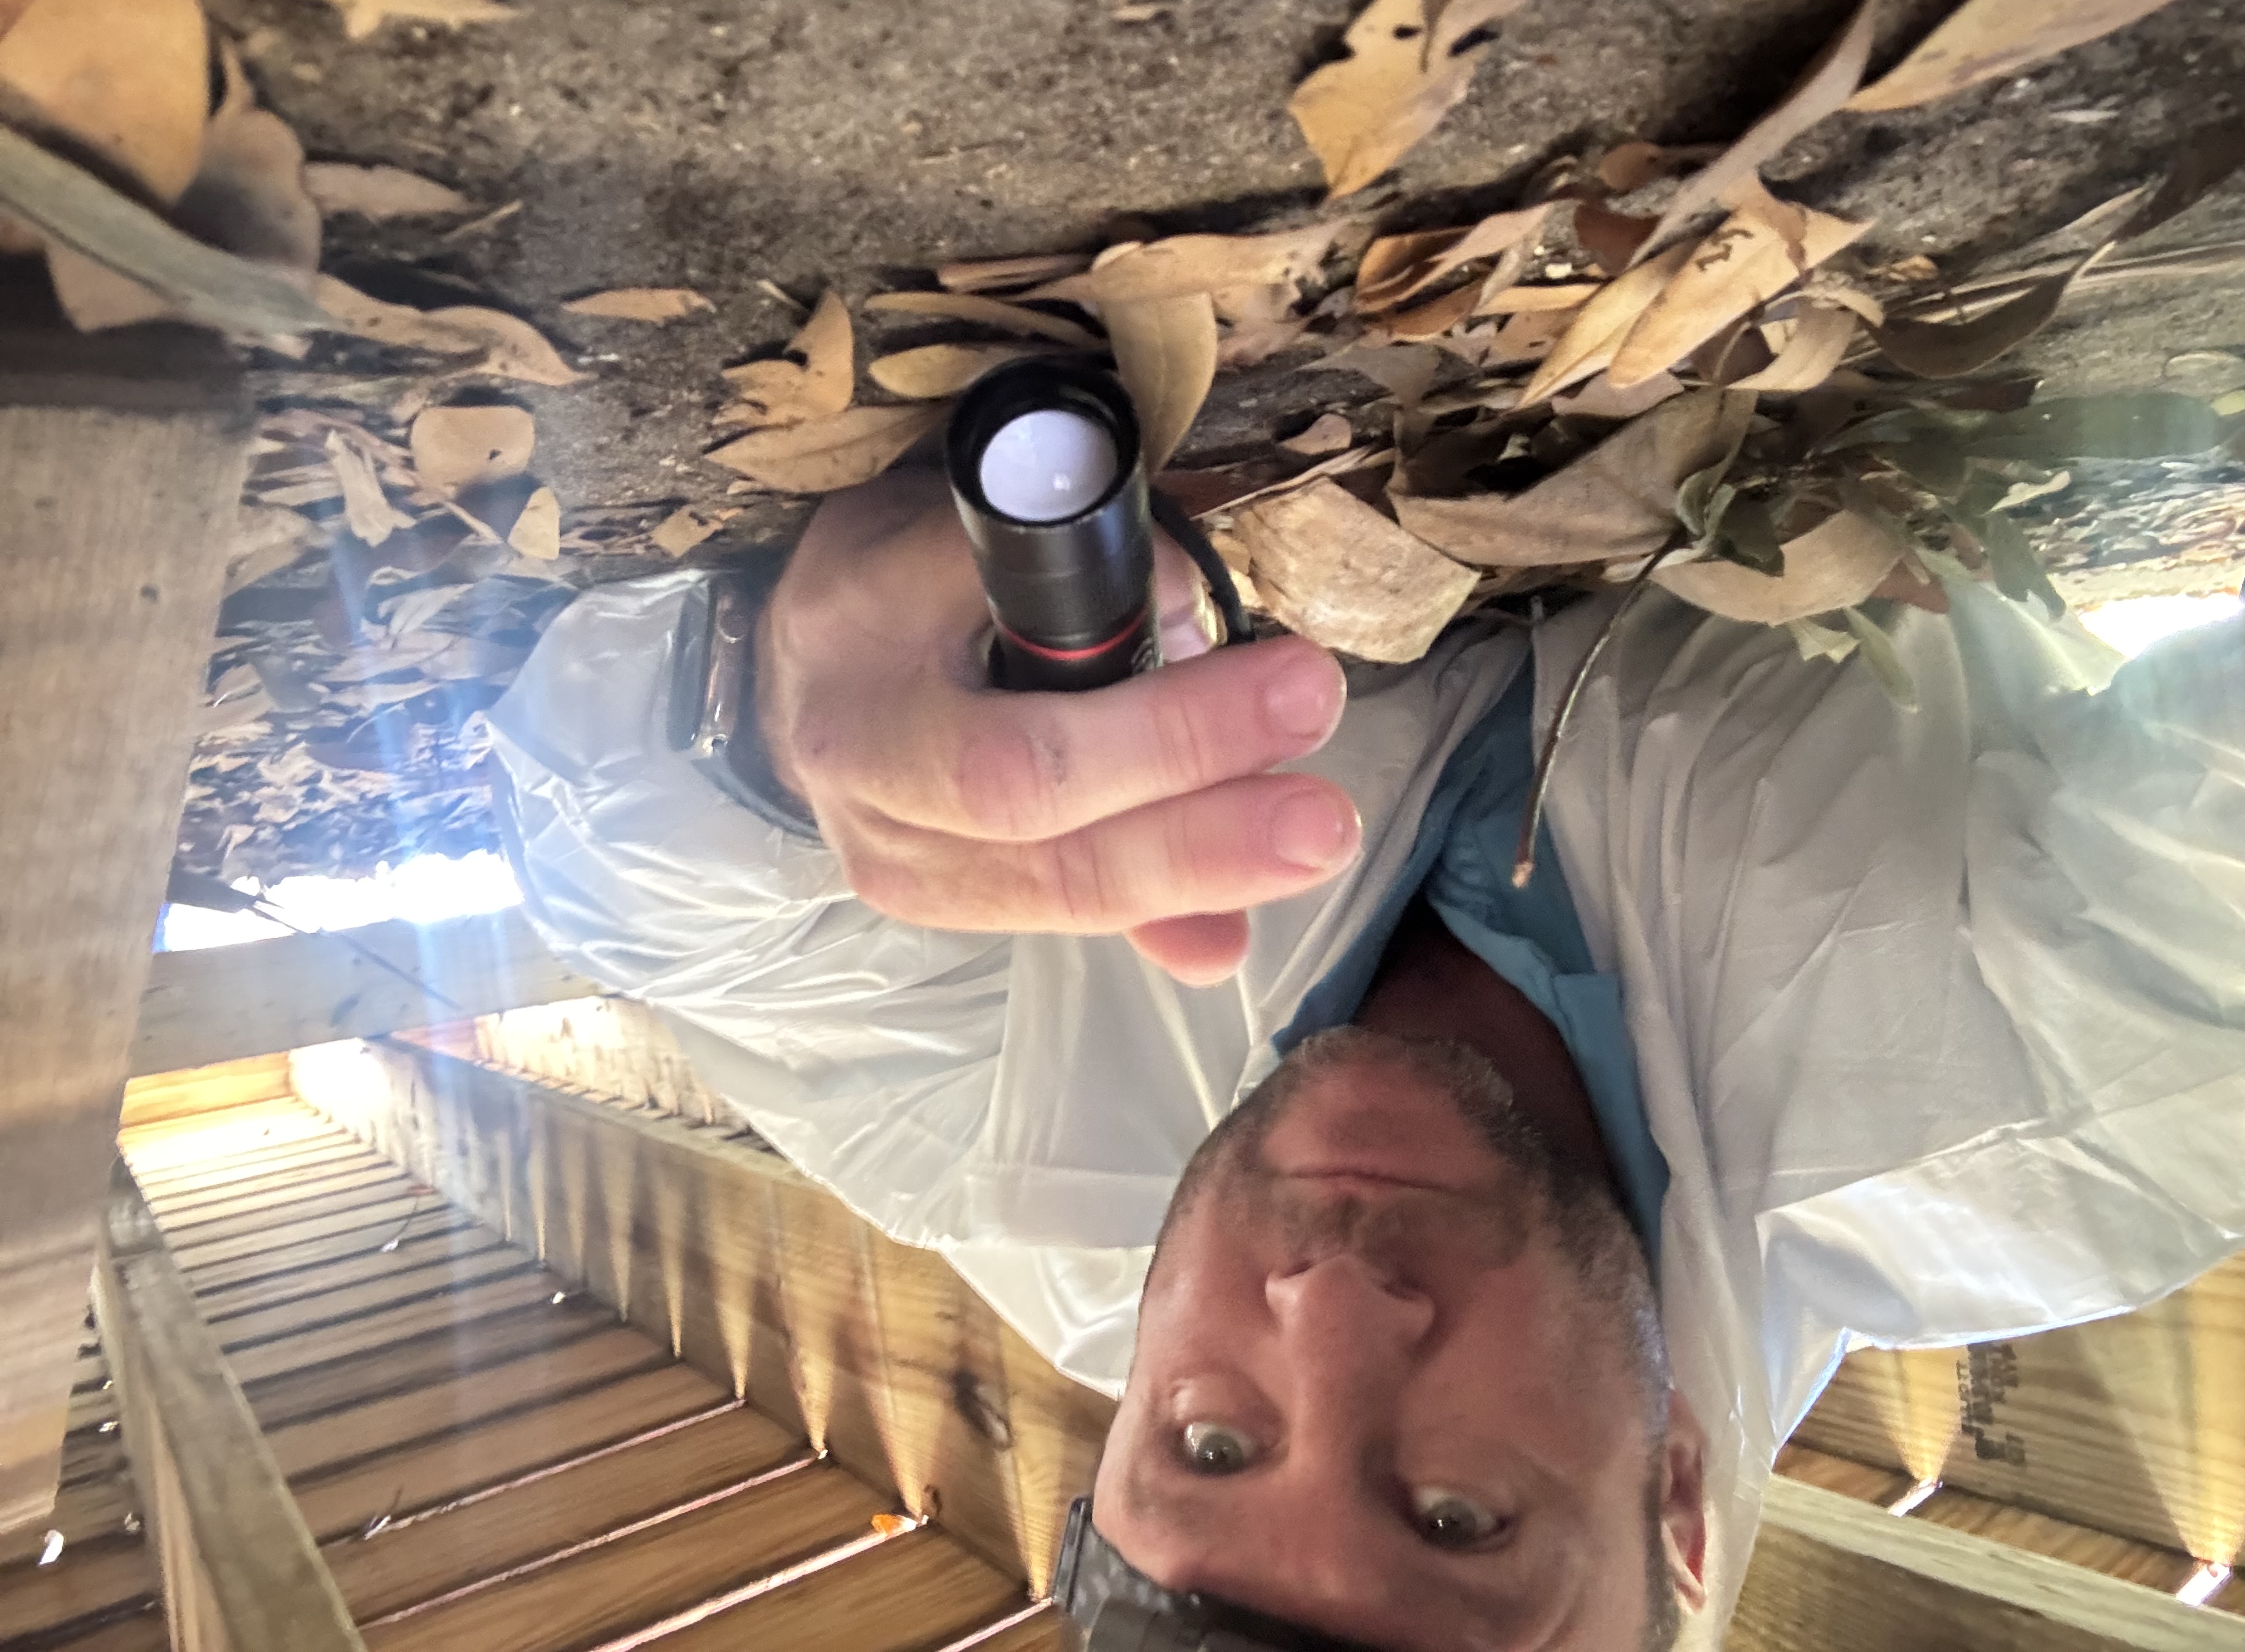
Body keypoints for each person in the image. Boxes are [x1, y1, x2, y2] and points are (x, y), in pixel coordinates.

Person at [485, 467, 2245, 1649]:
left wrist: (771, 736)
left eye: (1212, 1453)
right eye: (1461, 1514)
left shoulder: (1039, 1188)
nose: (1329, 1312)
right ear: (1682, 1500)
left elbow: (631, 886)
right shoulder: (2054, 1121)